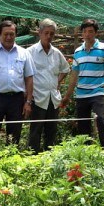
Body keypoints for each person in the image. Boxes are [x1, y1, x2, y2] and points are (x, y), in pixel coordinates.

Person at [0, 20, 36, 153]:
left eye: (12, 34)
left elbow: (29, 78)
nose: (9, 37)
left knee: (14, 135)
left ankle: (10, 163)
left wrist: (28, 102)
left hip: (17, 100)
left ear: (16, 35)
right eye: (6, 34)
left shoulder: (24, 53)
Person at [62, 19, 104, 152]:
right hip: (81, 93)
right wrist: (67, 95)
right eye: (84, 31)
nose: (87, 34)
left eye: (90, 31)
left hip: (97, 92)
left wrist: (99, 82)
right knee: (83, 123)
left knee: (101, 120)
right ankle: (87, 153)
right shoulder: (78, 52)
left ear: (96, 33)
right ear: (82, 34)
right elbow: (74, 75)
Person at [27, 19, 70, 154]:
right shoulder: (30, 52)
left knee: (51, 130)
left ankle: (49, 158)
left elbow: (66, 69)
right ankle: (32, 159)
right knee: (35, 131)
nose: (49, 36)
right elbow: (24, 75)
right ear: (39, 33)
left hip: (53, 98)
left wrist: (57, 82)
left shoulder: (56, 53)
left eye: (52, 34)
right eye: (46, 33)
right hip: (38, 97)